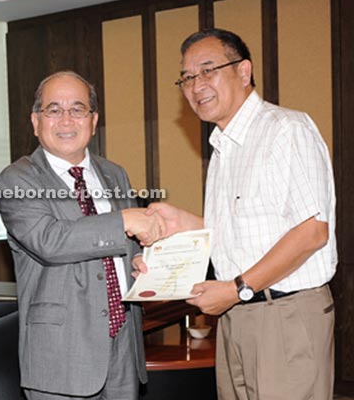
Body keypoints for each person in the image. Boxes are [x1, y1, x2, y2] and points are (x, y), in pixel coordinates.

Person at [141, 29, 337, 399]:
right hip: (237, 313)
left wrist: (237, 288)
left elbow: (313, 231)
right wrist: (178, 223)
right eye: (187, 77)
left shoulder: (285, 129)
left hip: (284, 313)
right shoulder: (223, 148)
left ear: (244, 72)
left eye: (208, 70)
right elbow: (236, 232)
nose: (196, 85)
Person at [0, 71, 164, 399]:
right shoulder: (17, 179)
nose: (66, 120)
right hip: (61, 357)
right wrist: (124, 220)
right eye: (53, 110)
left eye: (77, 109)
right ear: (35, 121)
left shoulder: (115, 174)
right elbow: (50, 241)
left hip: (123, 349)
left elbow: (126, 249)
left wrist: (145, 262)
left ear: (94, 119)